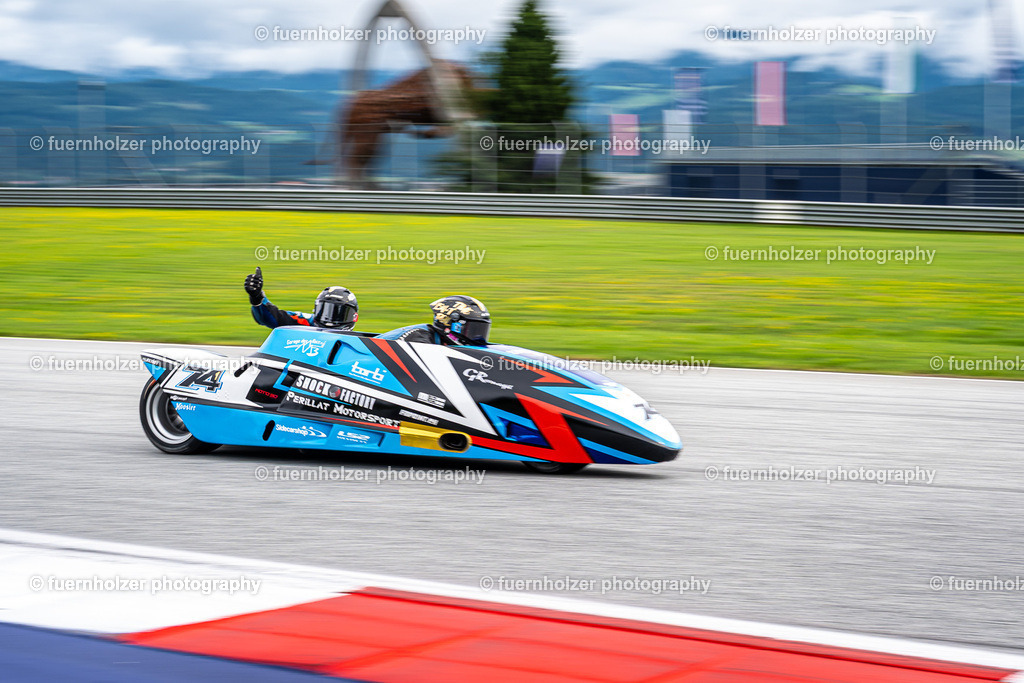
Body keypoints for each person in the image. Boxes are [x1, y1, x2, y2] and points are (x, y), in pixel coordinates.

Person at [244, 267, 358, 330]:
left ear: (353, 317)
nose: (330, 319)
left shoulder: (358, 343)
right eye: (325, 310)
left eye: (338, 314)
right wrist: (257, 297)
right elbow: (274, 317)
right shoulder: (306, 321)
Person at [378, 295, 490, 345]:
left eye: (481, 331)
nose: (477, 338)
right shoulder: (419, 339)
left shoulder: (440, 341)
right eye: (473, 330)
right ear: (449, 323)